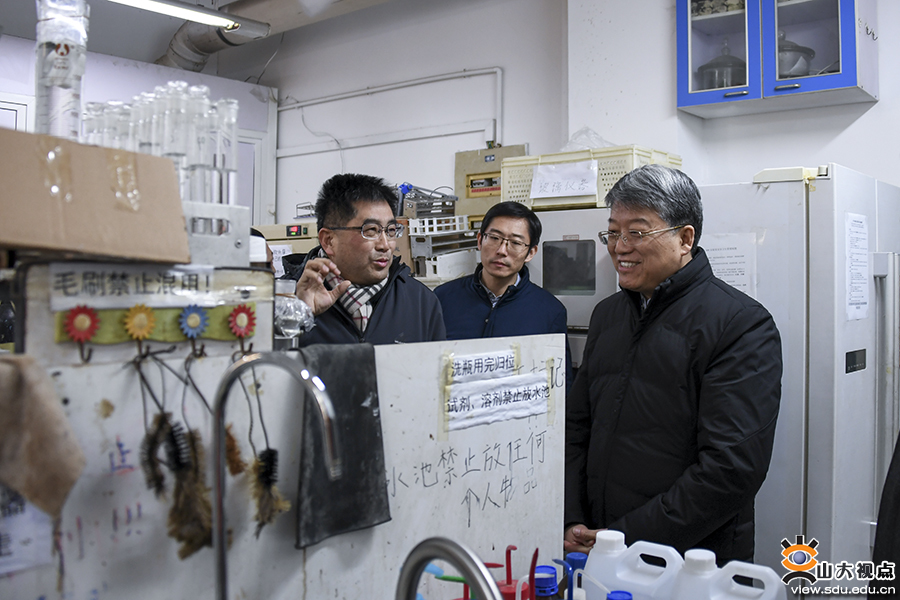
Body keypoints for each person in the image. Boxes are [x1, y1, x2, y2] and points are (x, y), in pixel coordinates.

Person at [564, 164, 782, 565]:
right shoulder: (607, 316)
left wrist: (626, 538)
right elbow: (576, 427)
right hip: (596, 546)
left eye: (637, 233)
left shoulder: (740, 324)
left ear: (685, 238)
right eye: (612, 233)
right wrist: (571, 517)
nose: (619, 247)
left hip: (690, 560)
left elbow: (731, 470)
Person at [293, 173, 446, 345]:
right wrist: (298, 316)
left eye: (391, 230)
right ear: (329, 241)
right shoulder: (288, 300)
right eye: (371, 230)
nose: (385, 245)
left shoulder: (421, 302)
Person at [434, 201, 572, 386]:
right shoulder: (442, 298)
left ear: (530, 252)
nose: (501, 251)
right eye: (494, 238)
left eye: (515, 243)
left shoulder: (550, 311)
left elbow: (560, 383)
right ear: (479, 240)